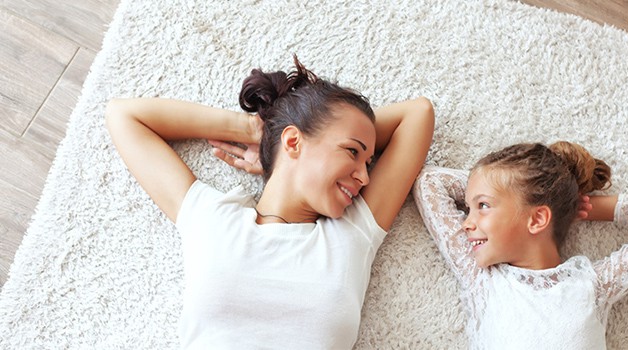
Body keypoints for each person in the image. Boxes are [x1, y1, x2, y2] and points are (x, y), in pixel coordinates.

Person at [106, 55, 434, 349]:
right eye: (353, 151)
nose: (365, 177)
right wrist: (257, 131)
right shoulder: (212, 220)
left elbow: (418, 114)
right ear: (294, 140)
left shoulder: (350, 236)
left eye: (369, 159)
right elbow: (124, 116)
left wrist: (292, 143)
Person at [412, 141, 628, 349]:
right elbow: (430, 183)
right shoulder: (482, 279)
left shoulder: (593, 285)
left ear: (537, 219)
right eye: (468, 206)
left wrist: (585, 208)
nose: (466, 222)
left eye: (483, 205)